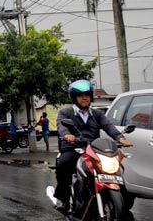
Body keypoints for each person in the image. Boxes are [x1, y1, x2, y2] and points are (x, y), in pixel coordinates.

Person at [53, 80, 132, 213]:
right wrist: (67, 135)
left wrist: (120, 138)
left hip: (93, 149)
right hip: (74, 148)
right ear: (74, 98)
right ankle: (64, 200)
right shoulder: (65, 113)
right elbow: (61, 127)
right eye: (80, 95)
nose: (84, 98)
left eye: (87, 95)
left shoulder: (97, 114)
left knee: (117, 168)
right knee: (64, 165)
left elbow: (108, 126)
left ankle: (122, 203)